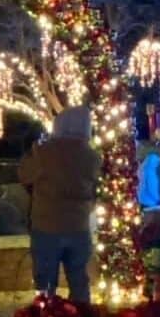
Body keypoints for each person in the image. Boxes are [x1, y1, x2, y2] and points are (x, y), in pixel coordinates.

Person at [19, 106, 101, 302]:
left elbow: (24, 174)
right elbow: (95, 189)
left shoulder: (44, 152)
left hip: (47, 226)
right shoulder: (92, 156)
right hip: (79, 226)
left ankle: (47, 315)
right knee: (79, 281)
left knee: (45, 282)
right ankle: (82, 315)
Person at [137, 140, 160, 208]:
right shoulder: (150, 170)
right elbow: (152, 187)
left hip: (146, 200)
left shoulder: (146, 167)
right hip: (151, 202)